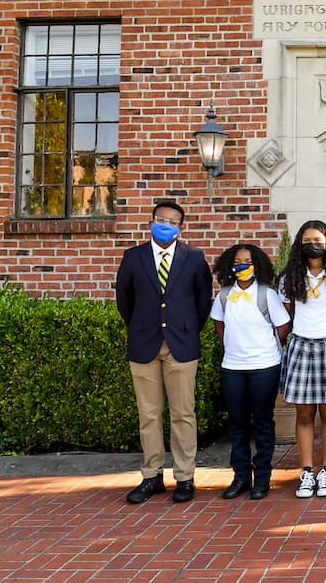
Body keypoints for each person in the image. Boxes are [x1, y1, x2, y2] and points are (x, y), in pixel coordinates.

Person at [115, 201, 213, 504]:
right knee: (149, 414)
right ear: (151, 221)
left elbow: (203, 300)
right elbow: (124, 300)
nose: (166, 225)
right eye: (161, 219)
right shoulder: (133, 257)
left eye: (173, 221)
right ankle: (152, 475)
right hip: (144, 344)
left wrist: (185, 329)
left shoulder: (194, 258)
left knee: (183, 414)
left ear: (181, 227)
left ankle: (185, 477)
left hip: (181, 345)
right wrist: (143, 327)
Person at [277, 220, 326, 498]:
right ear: (300, 243)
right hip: (300, 345)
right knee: (304, 414)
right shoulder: (288, 278)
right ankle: (307, 471)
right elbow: (286, 314)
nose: (313, 244)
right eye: (308, 239)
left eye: (318, 240)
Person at [210, 244, 291, 500]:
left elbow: (282, 327)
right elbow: (219, 325)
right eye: (238, 261)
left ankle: (263, 478)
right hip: (233, 367)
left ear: (257, 265)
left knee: (263, 422)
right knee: (237, 424)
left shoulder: (267, 295)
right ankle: (241, 476)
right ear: (229, 265)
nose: (243, 266)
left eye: (248, 261)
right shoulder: (224, 295)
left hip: (264, 366)